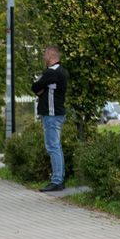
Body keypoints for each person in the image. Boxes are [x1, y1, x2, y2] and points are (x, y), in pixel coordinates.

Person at [32, 45, 68, 192]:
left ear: (50, 55)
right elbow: (39, 88)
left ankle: (57, 181)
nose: (43, 57)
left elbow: (35, 87)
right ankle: (59, 179)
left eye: (44, 54)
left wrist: (41, 89)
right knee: (56, 147)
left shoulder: (52, 72)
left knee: (53, 147)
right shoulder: (61, 71)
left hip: (51, 115)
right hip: (56, 114)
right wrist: (42, 89)